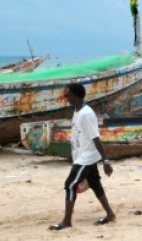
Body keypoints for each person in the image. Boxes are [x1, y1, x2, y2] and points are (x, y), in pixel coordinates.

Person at [49, 82, 116, 231]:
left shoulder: (86, 114)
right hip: (83, 155)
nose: (66, 97)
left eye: (68, 94)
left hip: (86, 157)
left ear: (75, 95)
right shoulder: (78, 111)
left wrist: (105, 160)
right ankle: (110, 214)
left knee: (70, 185)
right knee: (95, 184)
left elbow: (95, 137)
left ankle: (67, 221)